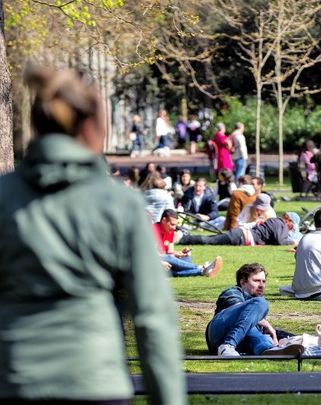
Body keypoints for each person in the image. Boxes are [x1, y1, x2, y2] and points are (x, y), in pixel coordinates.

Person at [0, 67, 185, 403]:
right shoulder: (119, 203)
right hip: (94, 379)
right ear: (91, 126)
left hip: (16, 378)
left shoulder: (4, 197)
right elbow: (152, 316)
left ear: (35, 126)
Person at [206, 263, 305, 357]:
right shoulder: (233, 292)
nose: (262, 285)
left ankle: (268, 350)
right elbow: (241, 313)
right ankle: (228, 346)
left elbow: (251, 326)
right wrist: (268, 325)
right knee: (260, 303)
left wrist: (296, 339)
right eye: (257, 281)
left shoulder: (256, 305)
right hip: (218, 334)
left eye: (264, 281)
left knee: (257, 332)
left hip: (241, 343)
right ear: (243, 282)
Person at [153, 209, 223, 277]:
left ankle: (203, 271)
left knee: (185, 258)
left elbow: (170, 251)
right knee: (169, 260)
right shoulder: (153, 230)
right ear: (164, 220)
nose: (174, 228)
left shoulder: (171, 231)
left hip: (165, 261)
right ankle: (202, 267)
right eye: (172, 224)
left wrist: (180, 253)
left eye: (175, 225)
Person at [178, 212, 300, 246]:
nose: (290, 230)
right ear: (288, 221)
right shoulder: (280, 224)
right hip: (241, 236)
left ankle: (184, 237)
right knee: (209, 240)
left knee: (211, 239)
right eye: (292, 227)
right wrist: (294, 242)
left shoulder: (276, 222)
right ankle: (183, 238)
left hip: (241, 235)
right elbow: (280, 241)